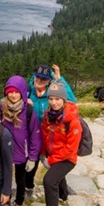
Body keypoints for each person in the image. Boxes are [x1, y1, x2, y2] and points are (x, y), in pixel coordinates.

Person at [39, 81, 82, 206]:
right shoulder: (48, 115)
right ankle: (63, 195)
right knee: (57, 176)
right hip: (53, 154)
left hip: (67, 159)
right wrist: (43, 153)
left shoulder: (73, 122)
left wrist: (50, 160)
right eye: (51, 99)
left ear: (64, 100)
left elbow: (71, 149)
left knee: (49, 180)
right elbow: (45, 135)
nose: (54, 102)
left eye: (57, 99)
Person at [27, 63, 76, 198]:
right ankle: (29, 187)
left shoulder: (51, 95)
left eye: (43, 79)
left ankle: (63, 190)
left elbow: (71, 101)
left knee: (56, 165)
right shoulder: (29, 91)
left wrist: (60, 80)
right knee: (32, 165)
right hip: (33, 137)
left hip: (50, 137)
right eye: (37, 77)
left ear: (49, 81)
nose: (39, 80)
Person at [0, 75, 40, 206]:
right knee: (6, 177)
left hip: (22, 153)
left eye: (16, 92)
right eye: (10, 91)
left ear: (22, 92)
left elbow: (35, 136)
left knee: (20, 180)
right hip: (5, 151)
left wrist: (33, 157)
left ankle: (18, 204)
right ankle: (6, 200)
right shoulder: (1, 108)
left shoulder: (28, 111)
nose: (13, 94)